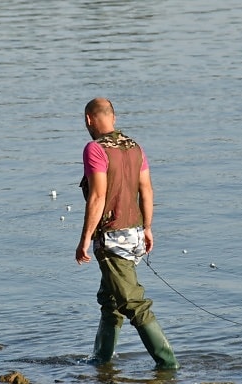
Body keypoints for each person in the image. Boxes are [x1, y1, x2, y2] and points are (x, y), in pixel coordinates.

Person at [75, 98, 180, 369]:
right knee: (111, 299)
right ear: (114, 117)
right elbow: (146, 190)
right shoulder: (135, 146)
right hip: (135, 234)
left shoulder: (94, 149)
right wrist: (147, 228)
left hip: (111, 237)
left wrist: (84, 239)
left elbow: (97, 196)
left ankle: (168, 366)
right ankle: (100, 361)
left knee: (133, 303)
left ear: (89, 119)